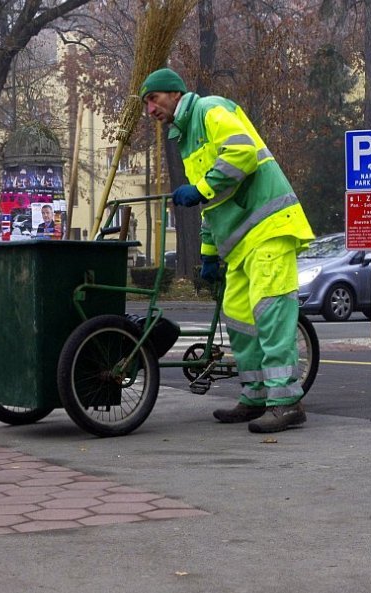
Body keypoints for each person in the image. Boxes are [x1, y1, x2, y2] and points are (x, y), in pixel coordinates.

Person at [140, 67, 315, 433]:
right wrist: (207, 252)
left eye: (153, 100)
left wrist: (200, 189)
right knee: (239, 319)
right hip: (241, 242)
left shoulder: (209, 110)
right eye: (146, 104)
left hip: (270, 227)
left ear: (173, 94)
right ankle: (255, 396)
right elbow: (214, 201)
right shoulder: (187, 138)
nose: (150, 110)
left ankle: (286, 403)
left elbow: (242, 154)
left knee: (270, 314)